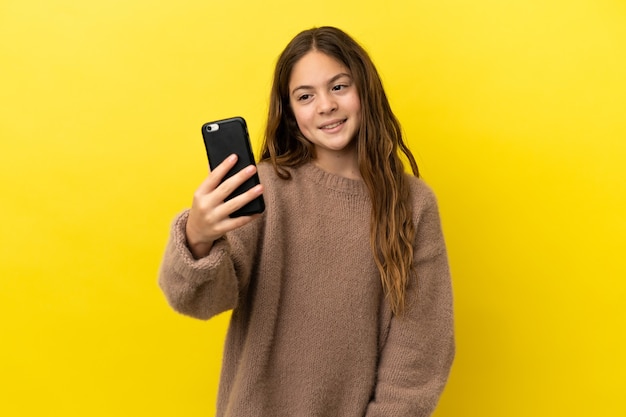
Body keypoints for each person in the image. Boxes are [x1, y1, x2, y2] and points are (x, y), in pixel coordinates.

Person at [159, 26, 454, 417]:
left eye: (339, 86)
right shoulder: (265, 189)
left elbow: (420, 350)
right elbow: (199, 301)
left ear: (365, 89)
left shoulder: (413, 204)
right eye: (305, 96)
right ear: (290, 111)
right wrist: (197, 237)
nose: (325, 106)